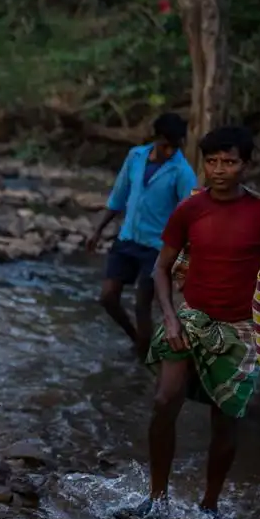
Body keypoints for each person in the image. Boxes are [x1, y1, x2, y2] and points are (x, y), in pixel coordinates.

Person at [118, 126, 260, 519]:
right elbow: (162, 268)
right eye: (212, 161)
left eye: (229, 162)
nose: (219, 170)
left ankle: (210, 505)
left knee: (225, 419)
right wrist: (170, 315)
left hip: (242, 328)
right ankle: (156, 498)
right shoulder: (190, 210)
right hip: (191, 317)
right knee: (165, 401)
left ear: (246, 165)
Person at [87, 113, 198, 360]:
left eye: (175, 146)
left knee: (142, 305)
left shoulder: (182, 171)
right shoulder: (135, 157)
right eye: (165, 145)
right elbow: (118, 197)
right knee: (107, 296)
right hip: (127, 238)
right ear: (156, 138)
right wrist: (97, 230)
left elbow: (191, 213)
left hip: (157, 248)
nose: (170, 151)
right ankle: (137, 339)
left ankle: (141, 358)